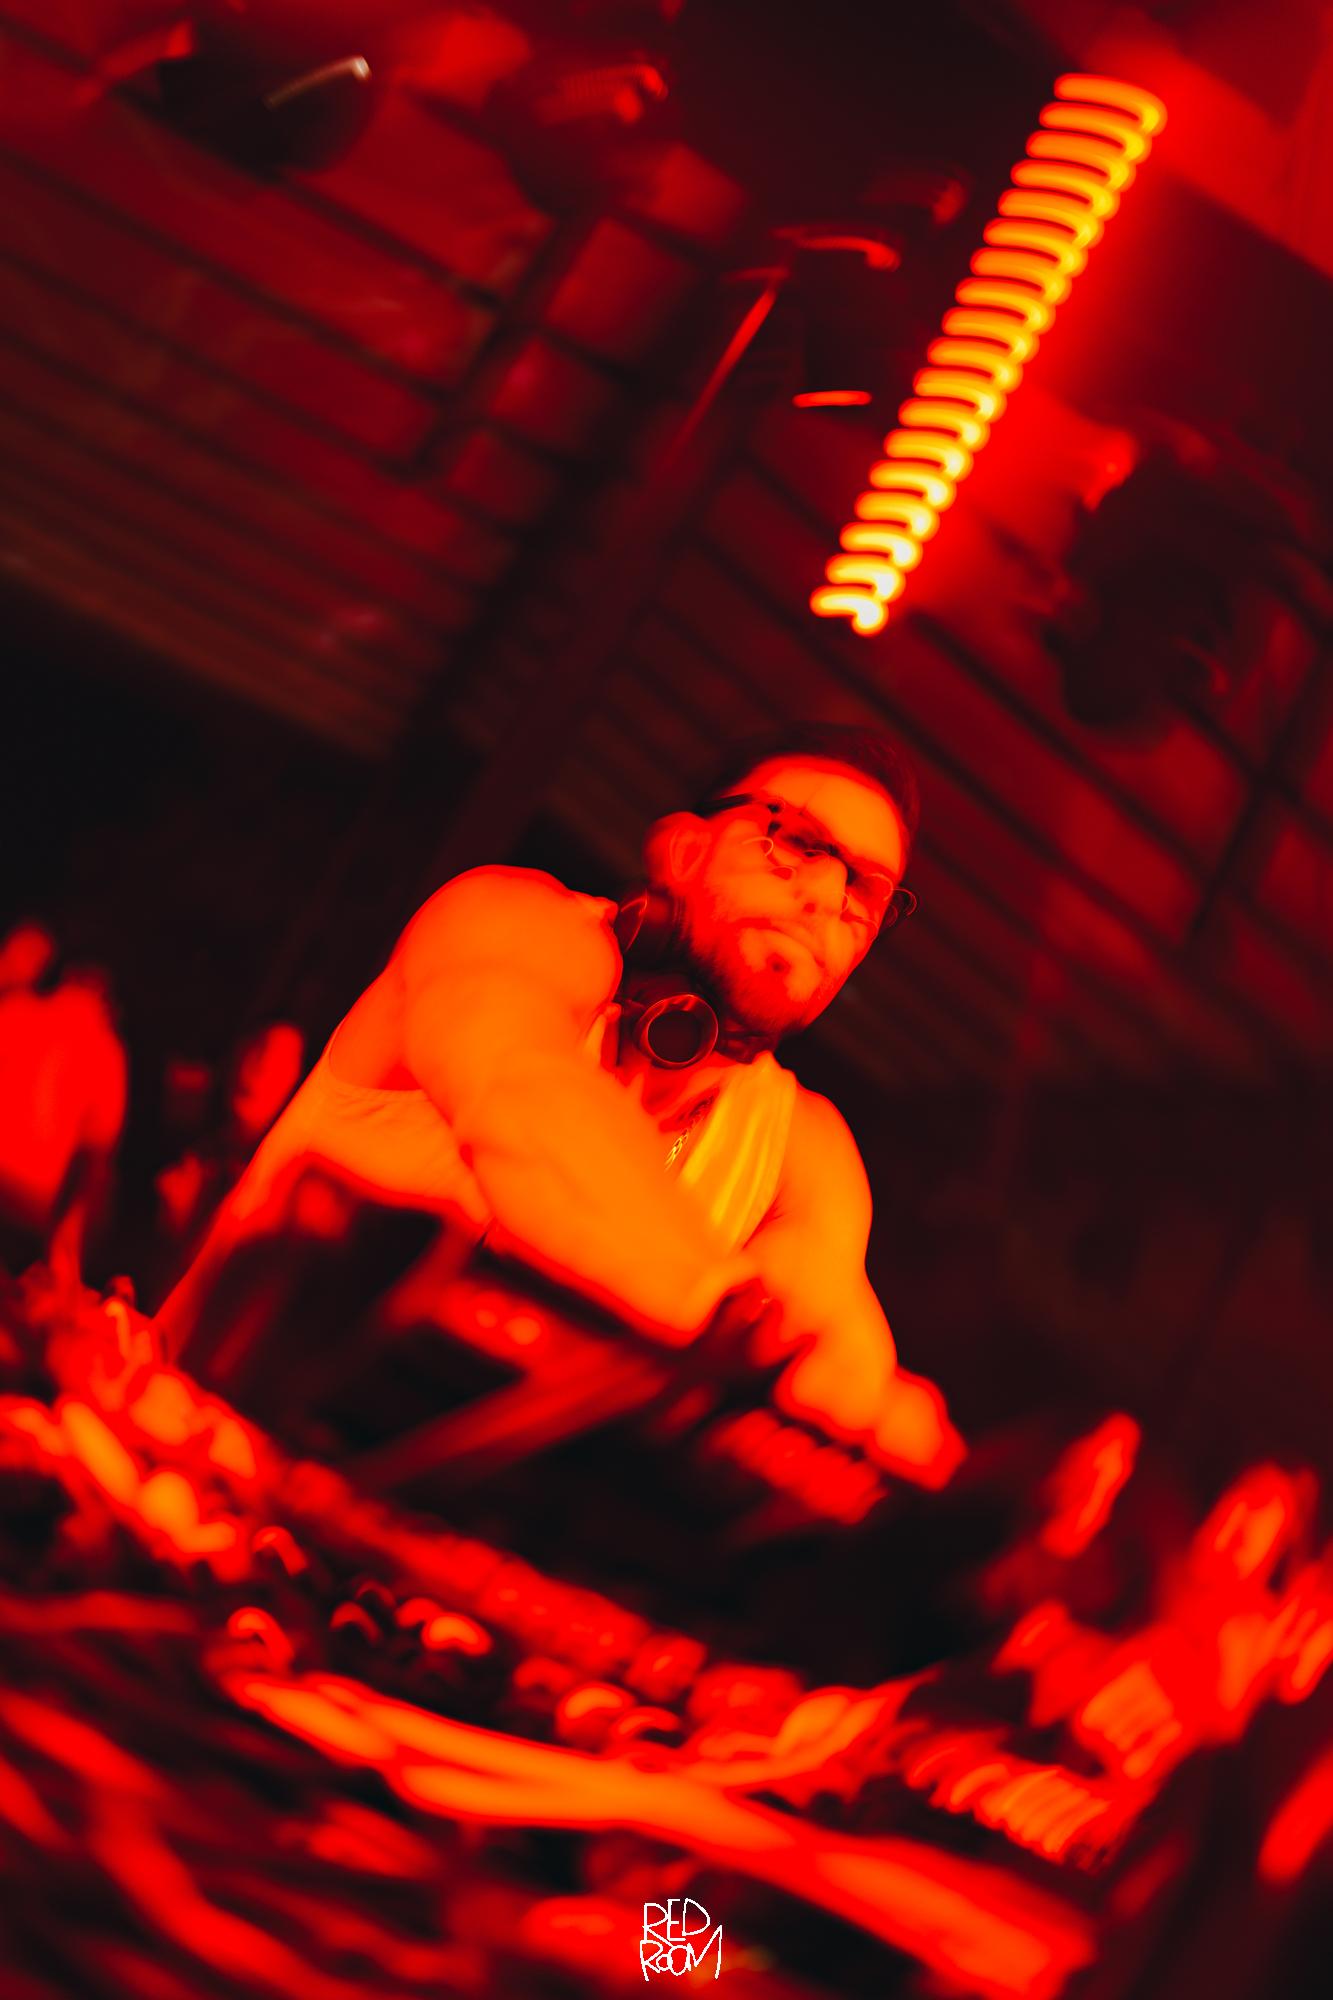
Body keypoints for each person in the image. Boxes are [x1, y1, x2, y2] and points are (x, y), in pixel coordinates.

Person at [157, 725, 961, 1479]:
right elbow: (522, 1095)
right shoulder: (509, 923)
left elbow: (836, 1366)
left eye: (865, 886)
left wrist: (894, 1431)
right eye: (796, 842)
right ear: (684, 851)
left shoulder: (805, 1152)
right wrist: (729, 1324)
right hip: (173, 1470)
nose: (826, 894)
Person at [0, 928, 128, 1289]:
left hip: (31, 1217)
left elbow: (94, 1154)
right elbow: (95, 1156)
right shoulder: (105, 1051)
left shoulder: (18, 1013)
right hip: (32, 1218)